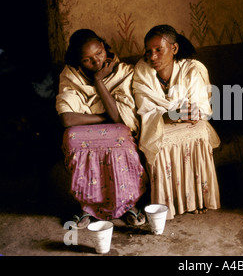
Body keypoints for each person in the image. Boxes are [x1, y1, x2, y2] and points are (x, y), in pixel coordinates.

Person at [56, 29, 148, 228]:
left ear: (104, 46)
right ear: (78, 61)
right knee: (73, 137)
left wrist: (99, 81)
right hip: (96, 128)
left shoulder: (125, 72)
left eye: (99, 53)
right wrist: (103, 118)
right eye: (87, 60)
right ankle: (87, 205)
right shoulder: (70, 75)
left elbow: (119, 118)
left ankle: (128, 204)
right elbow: (67, 118)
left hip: (116, 129)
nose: (97, 62)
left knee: (122, 136)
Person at [133, 24, 221, 220]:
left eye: (158, 50)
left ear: (174, 49)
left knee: (199, 132)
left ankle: (196, 200)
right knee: (158, 139)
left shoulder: (192, 69)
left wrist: (177, 113)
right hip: (157, 123)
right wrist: (174, 113)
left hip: (186, 122)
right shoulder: (142, 70)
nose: (152, 57)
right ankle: (169, 203)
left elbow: (199, 107)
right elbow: (145, 108)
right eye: (148, 51)